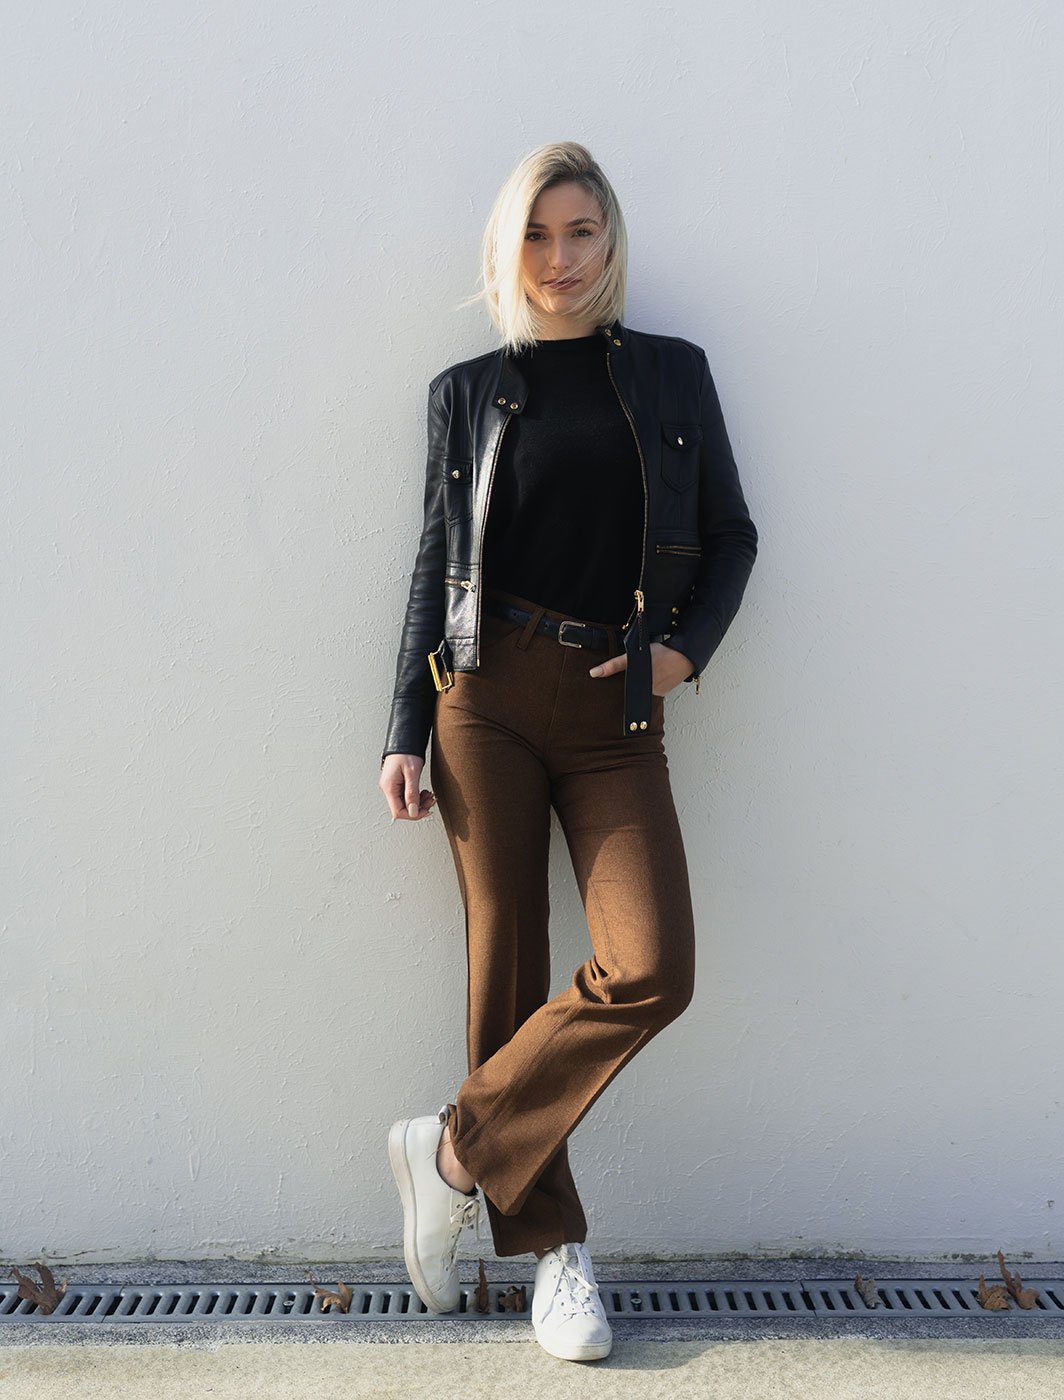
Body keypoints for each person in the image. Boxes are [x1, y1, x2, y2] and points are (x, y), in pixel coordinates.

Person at [379, 141, 758, 1364]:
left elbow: (731, 534)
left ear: (610, 238)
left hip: (614, 706)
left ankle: (452, 1148)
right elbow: (435, 564)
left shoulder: (670, 374)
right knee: (508, 955)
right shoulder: (465, 391)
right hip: (483, 697)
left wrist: (681, 652)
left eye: (580, 230)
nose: (560, 257)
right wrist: (401, 726)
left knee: (652, 964)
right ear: (509, 247)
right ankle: (553, 1253)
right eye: (537, 234)